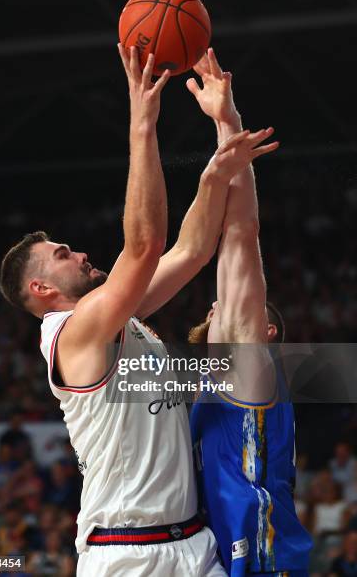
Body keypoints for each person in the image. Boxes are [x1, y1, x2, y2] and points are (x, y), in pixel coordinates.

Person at [0, 44, 276, 576]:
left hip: (195, 544)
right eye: (62, 255)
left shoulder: (115, 319)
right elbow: (144, 246)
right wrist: (142, 123)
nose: (78, 253)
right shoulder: (72, 335)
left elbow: (192, 251)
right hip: (127, 554)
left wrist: (217, 166)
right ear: (40, 288)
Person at [188, 49, 312, 575]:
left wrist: (227, 124)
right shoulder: (212, 383)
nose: (218, 304)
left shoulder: (248, 366)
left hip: (261, 553)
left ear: (265, 330)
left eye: (234, 307)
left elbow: (239, 236)